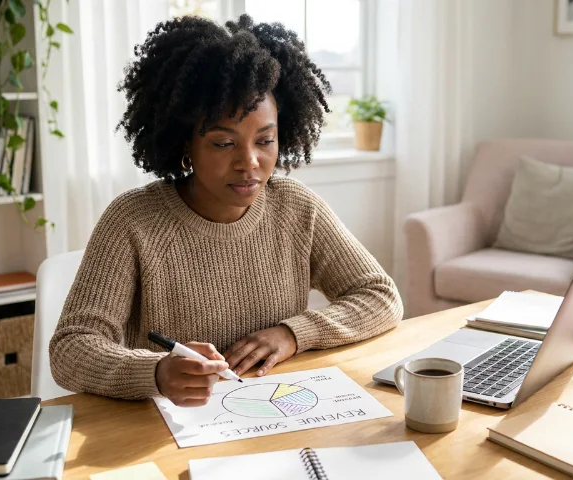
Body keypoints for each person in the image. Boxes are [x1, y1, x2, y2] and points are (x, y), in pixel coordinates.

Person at [48, 14, 403, 407]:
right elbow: (71, 348)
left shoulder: (296, 208)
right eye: (222, 144)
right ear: (186, 145)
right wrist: (155, 371)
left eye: (265, 140)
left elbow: (380, 296)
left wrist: (292, 334)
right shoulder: (133, 222)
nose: (249, 162)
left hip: (276, 409)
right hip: (170, 428)